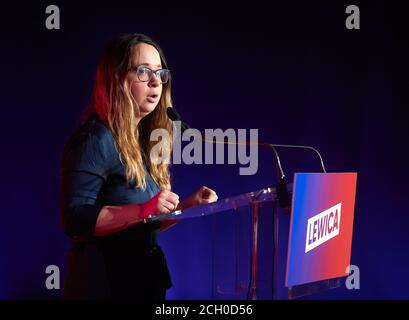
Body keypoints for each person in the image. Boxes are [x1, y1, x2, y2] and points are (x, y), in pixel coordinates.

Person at [60, 33, 218, 300]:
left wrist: (186, 206)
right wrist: (144, 208)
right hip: (104, 287)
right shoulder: (94, 139)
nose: (156, 81)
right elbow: (75, 219)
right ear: (117, 78)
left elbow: (143, 223)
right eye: (144, 71)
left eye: (159, 72)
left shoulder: (144, 143)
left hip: (143, 282)